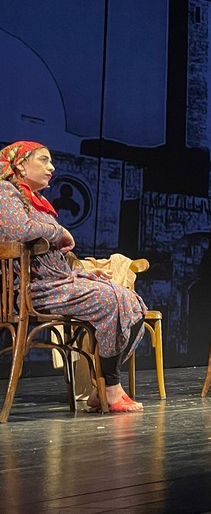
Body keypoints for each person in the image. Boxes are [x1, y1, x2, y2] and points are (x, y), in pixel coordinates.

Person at [0, 140, 148, 411]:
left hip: (56, 282)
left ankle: (101, 386)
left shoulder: (37, 202)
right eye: (44, 160)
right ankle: (110, 388)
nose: (51, 167)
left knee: (131, 301)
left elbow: (50, 256)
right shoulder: (5, 191)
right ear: (20, 164)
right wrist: (60, 232)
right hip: (35, 290)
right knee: (111, 300)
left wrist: (83, 271)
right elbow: (19, 231)